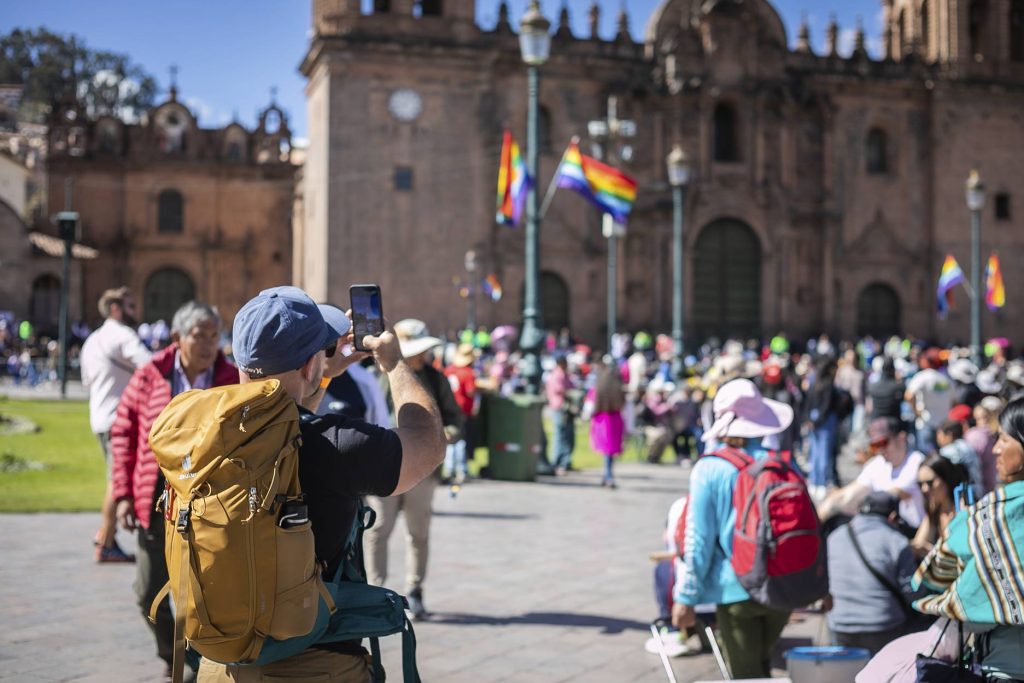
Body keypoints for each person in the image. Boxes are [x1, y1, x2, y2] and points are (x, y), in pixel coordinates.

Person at [197, 287, 444, 683]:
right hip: (313, 664)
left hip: (222, 663)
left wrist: (320, 377)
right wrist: (395, 364)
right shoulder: (335, 444)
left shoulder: (199, 433)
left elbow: (281, 420)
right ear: (310, 365)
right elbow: (427, 444)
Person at [111, 301, 237, 680]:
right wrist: (123, 495)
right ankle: (172, 654)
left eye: (214, 336)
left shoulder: (230, 379)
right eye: (200, 335)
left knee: (207, 590)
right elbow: (124, 433)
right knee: (149, 590)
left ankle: (200, 664)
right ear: (179, 337)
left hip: (209, 501)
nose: (208, 344)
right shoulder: (151, 373)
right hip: (156, 497)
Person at [672, 378, 795, 679]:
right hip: (782, 588)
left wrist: (686, 597)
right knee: (762, 668)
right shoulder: (779, 463)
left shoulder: (710, 469)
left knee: (745, 676)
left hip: (734, 588)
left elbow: (698, 540)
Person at [911, 398, 1024, 681]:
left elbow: (931, 578)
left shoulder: (988, 517)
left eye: (1004, 439)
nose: (996, 448)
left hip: (1008, 667)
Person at [362, 318, 462, 621]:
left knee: (418, 533)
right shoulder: (374, 377)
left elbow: (454, 417)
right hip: (382, 467)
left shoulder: (436, 378)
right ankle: (373, 590)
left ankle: (415, 590)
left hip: (423, 471)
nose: (422, 357)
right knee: (378, 530)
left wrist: (443, 436)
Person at [80, 286, 152, 563]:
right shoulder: (124, 335)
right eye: (130, 306)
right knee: (116, 480)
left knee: (114, 478)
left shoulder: (92, 340)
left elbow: (86, 380)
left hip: (98, 416)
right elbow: (149, 366)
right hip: (119, 420)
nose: (135, 311)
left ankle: (106, 537)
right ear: (115, 309)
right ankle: (105, 540)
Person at [826, 492, 923, 655]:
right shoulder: (896, 541)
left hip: (840, 625)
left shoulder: (834, 537)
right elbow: (914, 594)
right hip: (885, 626)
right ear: (892, 517)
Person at [818, 417, 926, 530]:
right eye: (876, 446)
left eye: (884, 443)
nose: (881, 450)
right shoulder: (877, 464)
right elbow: (848, 495)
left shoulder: (916, 463)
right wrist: (827, 507)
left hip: (910, 532)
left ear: (901, 438)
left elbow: (888, 498)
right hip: (882, 529)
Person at [909, 454, 970, 558]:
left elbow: (964, 549)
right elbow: (918, 543)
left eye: (930, 482)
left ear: (946, 478)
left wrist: (932, 550)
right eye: (920, 484)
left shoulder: (963, 508)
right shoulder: (933, 508)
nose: (924, 489)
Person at [804, 357, 843, 499]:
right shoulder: (828, 384)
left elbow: (808, 402)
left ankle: (814, 481)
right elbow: (826, 406)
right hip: (825, 422)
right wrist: (818, 421)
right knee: (823, 454)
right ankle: (820, 483)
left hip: (814, 419)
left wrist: (808, 419)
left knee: (814, 453)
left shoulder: (814, 381)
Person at [904, 348, 953, 454]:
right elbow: (954, 400)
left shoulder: (923, 376)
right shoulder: (946, 378)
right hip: (943, 424)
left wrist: (916, 411)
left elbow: (908, 396)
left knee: (926, 458)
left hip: (926, 422)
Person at [443, 343, 478, 483]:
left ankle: (449, 469)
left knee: (450, 440)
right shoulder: (468, 373)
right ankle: (461, 470)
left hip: (448, 407)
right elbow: (470, 391)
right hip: (462, 409)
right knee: (460, 441)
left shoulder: (449, 369)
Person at [590, 361, 626, 488]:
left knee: (607, 450)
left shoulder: (599, 387)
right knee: (609, 451)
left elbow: (592, 405)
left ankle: (607, 475)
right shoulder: (618, 387)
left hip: (602, 420)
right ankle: (608, 475)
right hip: (614, 419)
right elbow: (623, 404)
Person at [934, 419, 984, 500]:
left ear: (949, 435)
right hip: (978, 492)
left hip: (963, 498)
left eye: (939, 435)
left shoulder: (949, 451)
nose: (938, 440)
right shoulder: (968, 446)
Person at [545, 352, 576, 475]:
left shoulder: (563, 374)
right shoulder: (557, 374)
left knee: (567, 436)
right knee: (560, 435)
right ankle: (557, 463)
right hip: (560, 408)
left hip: (565, 409)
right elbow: (561, 390)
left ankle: (565, 461)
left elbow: (572, 386)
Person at [965, 395, 1002, 494]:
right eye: (977, 419)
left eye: (985, 417)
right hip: (982, 488)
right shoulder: (976, 436)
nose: (981, 422)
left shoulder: (974, 435)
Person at [866, 357, 905, 423]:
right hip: (893, 423)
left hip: (876, 422)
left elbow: (868, 406)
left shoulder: (872, 386)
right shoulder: (898, 386)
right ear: (893, 370)